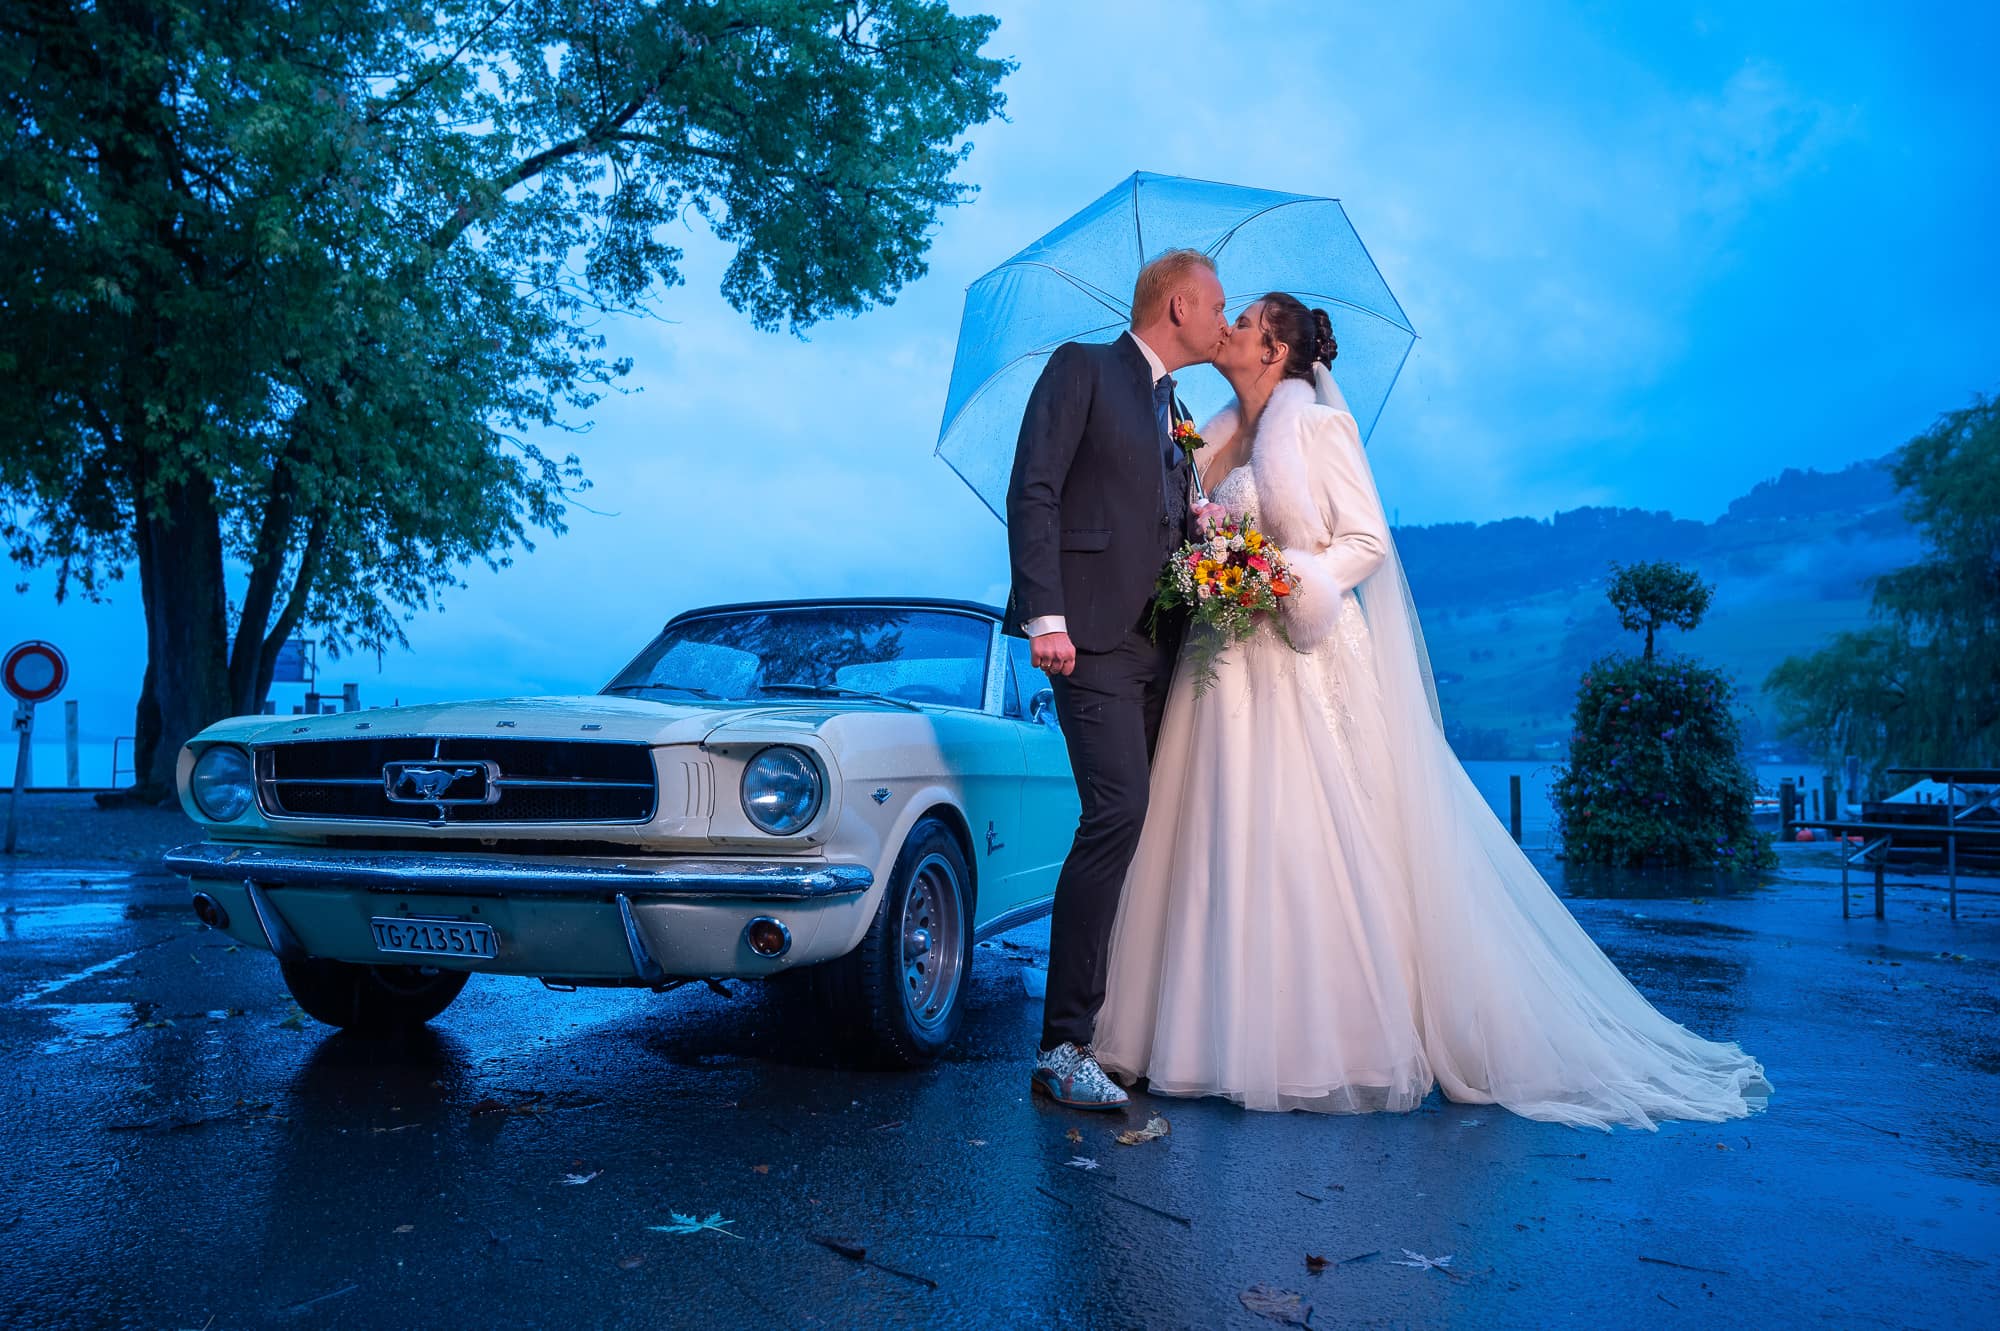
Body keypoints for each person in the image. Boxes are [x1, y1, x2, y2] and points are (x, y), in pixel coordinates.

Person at [1092, 292, 1772, 1130]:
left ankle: (1313, 1039)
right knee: (1215, 835)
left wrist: (1284, 578)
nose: (1227, 328)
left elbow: (1366, 541)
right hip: (1222, 665)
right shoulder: (1212, 432)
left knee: (1304, 836)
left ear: (1273, 350)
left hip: (1297, 657)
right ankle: (1191, 1032)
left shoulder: (1317, 429)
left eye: (1245, 321)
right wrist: (1208, 563)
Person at [1004, 247, 1228, 1109]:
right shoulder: (1083, 368)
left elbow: (1163, 518)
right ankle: (1063, 1045)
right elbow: (1036, 490)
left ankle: (1130, 1021)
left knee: (1146, 823)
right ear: (1177, 306)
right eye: (1215, 306)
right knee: (1116, 814)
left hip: (1163, 647)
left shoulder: (1178, 412)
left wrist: (1207, 534)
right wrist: (1046, 618)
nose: (1222, 320)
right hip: (1087, 640)